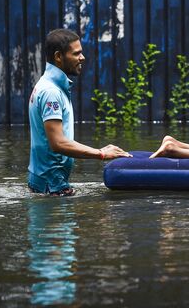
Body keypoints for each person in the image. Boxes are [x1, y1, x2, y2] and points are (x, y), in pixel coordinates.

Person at [28, 29, 132, 196]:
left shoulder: (47, 85)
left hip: (46, 183)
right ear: (58, 57)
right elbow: (58, 143)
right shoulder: (51, 92)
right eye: (76, 53)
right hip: (52, 186)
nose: (82, 58)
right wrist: (102, 153)